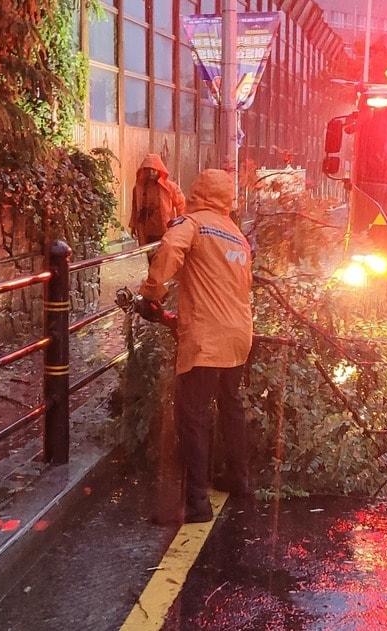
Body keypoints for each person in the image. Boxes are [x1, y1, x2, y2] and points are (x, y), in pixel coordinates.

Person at [138, 169, 253, 523]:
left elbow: (171, 247)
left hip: (206, 337)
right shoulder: (237, 236)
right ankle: (241, 479)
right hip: (239, 336)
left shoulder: (194, 223)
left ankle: (196, 503)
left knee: (193, 417)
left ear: (199, 192)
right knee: (232, 408)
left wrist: (151, 292)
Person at [130, 154, 187, 245]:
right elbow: (135, 208)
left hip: (166, 229)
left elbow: (182, 204)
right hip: (147, 231)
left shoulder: (170, 187)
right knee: (150, 256)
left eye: (154, 169)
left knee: (164, 255)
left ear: (159, 170)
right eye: (148, 170)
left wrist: (181, 223)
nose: (151, 172)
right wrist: (133, 226)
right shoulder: (138, 189)